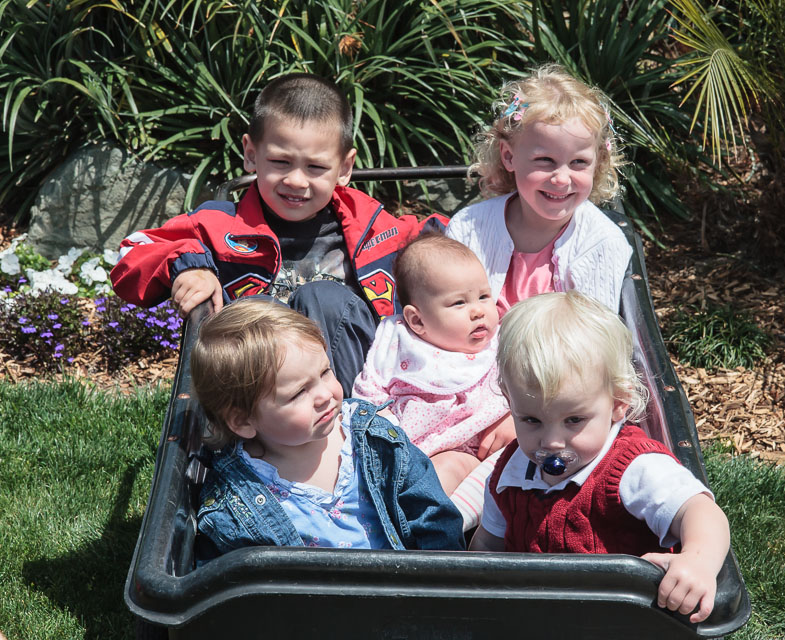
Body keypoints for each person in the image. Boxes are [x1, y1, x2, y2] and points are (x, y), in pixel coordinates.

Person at [110, 72, 444, 391]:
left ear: (344, 167)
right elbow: (133, 251)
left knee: (324, 299)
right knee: (259, 311)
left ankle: (347, 424)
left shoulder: (373, 227)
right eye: (281, 162)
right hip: (258, 396)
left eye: (315, 167)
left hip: (354, 395)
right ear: (251, 154)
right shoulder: (220, 227)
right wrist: (189, 266)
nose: (296, 180)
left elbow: (452, 237)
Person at [469, 292, 730, 625]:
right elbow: (489, 544)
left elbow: (700, 510)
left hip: (624, 621)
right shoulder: (510, 472)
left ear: (618, 403)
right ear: (510, 401)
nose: (551, 442)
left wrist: (698, 560)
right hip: (538, 618)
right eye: (531, 420)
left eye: (574, 420)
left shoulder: (632, 467)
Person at [191, 298, 463, 559]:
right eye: (299, 393)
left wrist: (443, 580)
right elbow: (241, 577)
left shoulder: (374, 440)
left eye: (324, 372)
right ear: (243, 421)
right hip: (315, 593)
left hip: (405, 582)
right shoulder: (236, 499)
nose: (324, 395)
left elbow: (432, 516)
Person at [445, 64, 633, 317]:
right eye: (545, 160)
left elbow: (593, 334)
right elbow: (443, 314)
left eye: (579, 162)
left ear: (597, 163)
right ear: (509, 156)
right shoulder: (469, 228)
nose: (561, 179)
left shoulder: (601, 242)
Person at [352, 233, 514, 497]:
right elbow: (368, 393)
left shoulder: (502, 342)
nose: (478, 311)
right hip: (416, 453)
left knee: (455, 471)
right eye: (459, 302)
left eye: (484, 296)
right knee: (430, 478)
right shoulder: (398, 343)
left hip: (480, 446)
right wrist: (384, 427)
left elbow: (534, 381)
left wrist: (513, 415)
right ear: (417, 321)